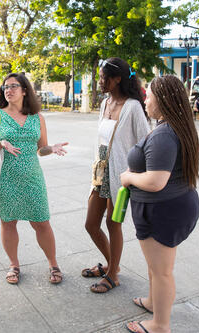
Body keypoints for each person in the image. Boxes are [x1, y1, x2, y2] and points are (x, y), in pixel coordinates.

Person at [120, 75, 199, 333]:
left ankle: (159, 325)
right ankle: (153, 302)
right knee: (157, 266)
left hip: (163, 209)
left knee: (162, 271)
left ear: (162, 100)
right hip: (171, 206)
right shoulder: (173, 128)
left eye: (149, 95)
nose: (145, 100)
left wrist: (128, 177)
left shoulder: (164, 135)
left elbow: (156, 181)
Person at [0, 73, 68, 285]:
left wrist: (51, 148)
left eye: (13, 86)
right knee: (8, 223)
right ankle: (14, 265)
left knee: (42, 223)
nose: (8, 90)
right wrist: (1, 143)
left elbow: (41, 149)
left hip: (32, 178)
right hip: (6, 179)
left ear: (25, 90)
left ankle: (53, 263)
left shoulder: (37, 118)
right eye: (5, 87)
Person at [82, 57, 150, 293]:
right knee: (91, 224)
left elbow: (145, 142)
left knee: (113, 224)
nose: (99, 81)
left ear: (117, 79)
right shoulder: (104, 103)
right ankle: (113, 266)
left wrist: (135, 174)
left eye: (103, 77)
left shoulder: (132, 107)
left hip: (121, 174)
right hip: (100, 171)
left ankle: (113, 275)